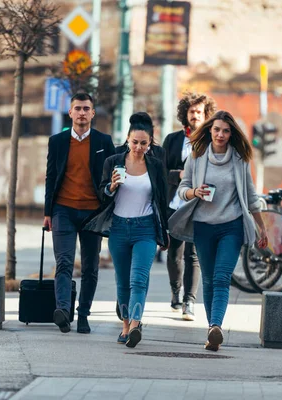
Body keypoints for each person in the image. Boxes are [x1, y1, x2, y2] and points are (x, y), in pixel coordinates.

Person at [169, 110, 269, 352]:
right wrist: (194, 192)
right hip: (203, 226)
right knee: (208, 279)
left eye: (226, 130)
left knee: (222, 277)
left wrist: (261, 227)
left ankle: (216, 327)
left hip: (231, 226)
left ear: (231, 133)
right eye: (217, 130)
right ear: (210, 131)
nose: (221, 134)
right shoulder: (197, 155)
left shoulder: (240, 158)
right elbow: (183, 188)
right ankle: (211, 330)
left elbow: (251, 195)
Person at [84, 112, 169, 348]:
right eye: (135, 142)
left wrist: (165, 232)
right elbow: (102, 194)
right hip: (119, 228)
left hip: (146, 229)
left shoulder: (155, 165)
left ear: (150, 142)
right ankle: (124, 325)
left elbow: (162, 199)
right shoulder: (113, 162)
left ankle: (135, 325)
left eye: (144, 143)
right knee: (122, 281)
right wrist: (111, 186)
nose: (139, 147)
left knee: (138, 279)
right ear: (127, 140)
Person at [44, 92, 116, 334]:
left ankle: (83, 314)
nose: (82, 113)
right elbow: (50, 177)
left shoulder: (104, 142)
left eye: (87, 108)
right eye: (78, 108)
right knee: (63, 263)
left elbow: (111, 177)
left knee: (90, 267)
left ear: (93, 113)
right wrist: (47, 212)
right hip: (62, 210)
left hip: (92, 213)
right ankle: (63, 311)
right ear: (70, 113)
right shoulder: (57, 141)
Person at [162, 92, 216, 321]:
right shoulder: (172, 140)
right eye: (192, 111)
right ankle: (176, 293)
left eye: (199, 112)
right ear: (185, 113)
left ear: (206, 115)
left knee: (193, 255)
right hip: (175, 204)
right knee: (174, 252)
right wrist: (179, 174)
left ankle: (189, 302)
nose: (195, 115)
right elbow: (160, 172)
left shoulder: (213, 140)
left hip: (200, 204)